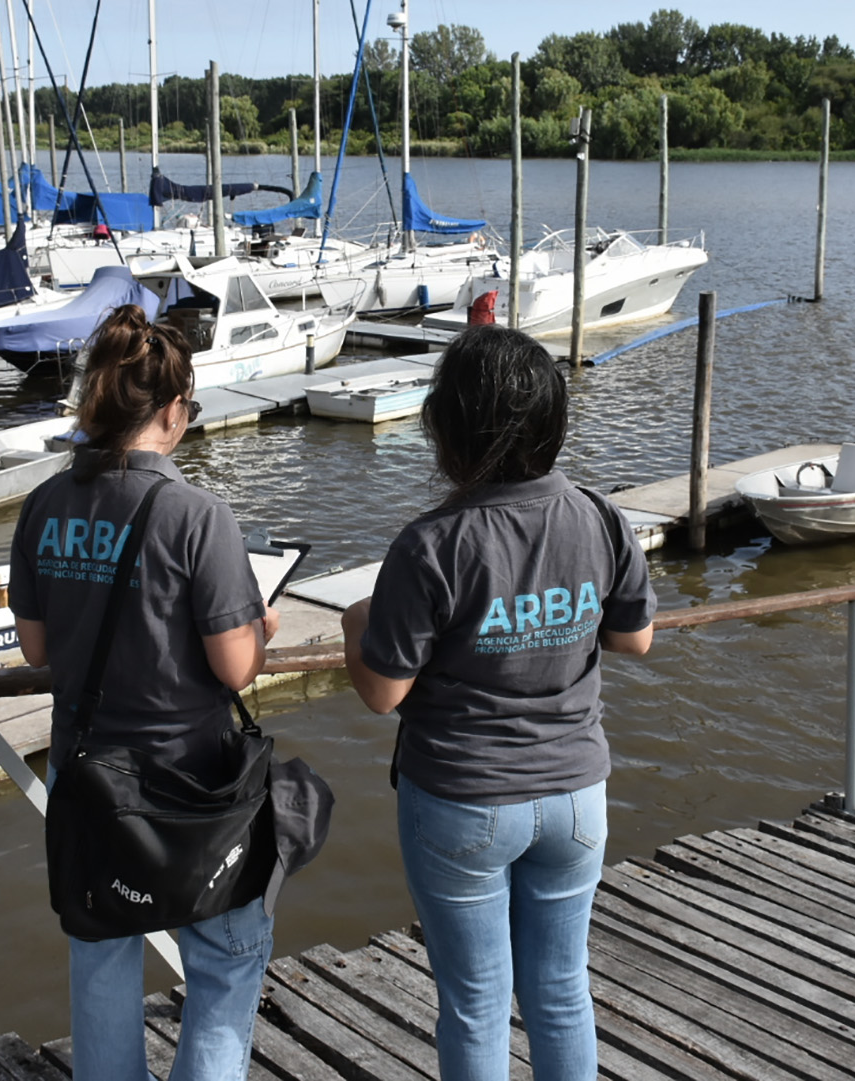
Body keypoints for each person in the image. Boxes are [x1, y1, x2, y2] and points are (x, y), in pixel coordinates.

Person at [341, 324, 657, 1081]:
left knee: (477, 1002)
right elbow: (634, 638)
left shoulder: (431, 543)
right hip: (577, 795)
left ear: (448, 431)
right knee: (561, 989)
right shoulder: (600, 516)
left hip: (463, 797)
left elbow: (383, 692)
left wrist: (357, 624)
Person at [9, 305, 280, 1081]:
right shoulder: (197, 514)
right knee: (225, 956)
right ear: (171, 411)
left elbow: (36, 648)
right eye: (188, 405)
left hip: (86, 771)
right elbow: (235, 667)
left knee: (101, 956)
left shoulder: (44, 504)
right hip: (187, 782)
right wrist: (261, 625)